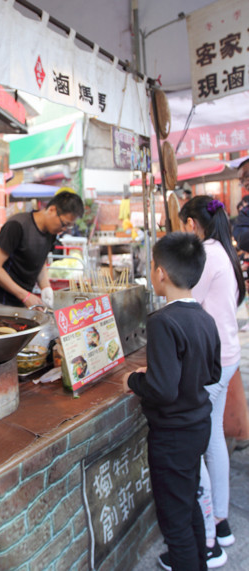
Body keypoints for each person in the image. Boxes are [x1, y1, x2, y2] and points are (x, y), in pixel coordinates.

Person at [122, 232, 222, 571]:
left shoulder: (163, 321)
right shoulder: (205, 319)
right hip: (198, 428)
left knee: (174, 523)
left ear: (160, 272)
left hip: (172, 437)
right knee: (187, 501)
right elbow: (212, 372)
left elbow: (163, 390)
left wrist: (134, 379)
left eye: (152, 266)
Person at [178, 195, 246, 566]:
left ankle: (207, 542)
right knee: (214, 438)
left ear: (190, 224)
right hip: (228, 357)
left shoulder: (203, 256)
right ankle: (220, 522)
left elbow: (183, 300)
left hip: (210, 365)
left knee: (195, 442)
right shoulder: (225, 250)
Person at [0, 190, 84, 308]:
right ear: (52, 210)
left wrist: (46, 287)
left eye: (69, 226)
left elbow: (40, 263)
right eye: (64, 224)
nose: (64, 229)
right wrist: (25, 296)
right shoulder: (17, 225)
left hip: (21, 302)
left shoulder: (51, 233)